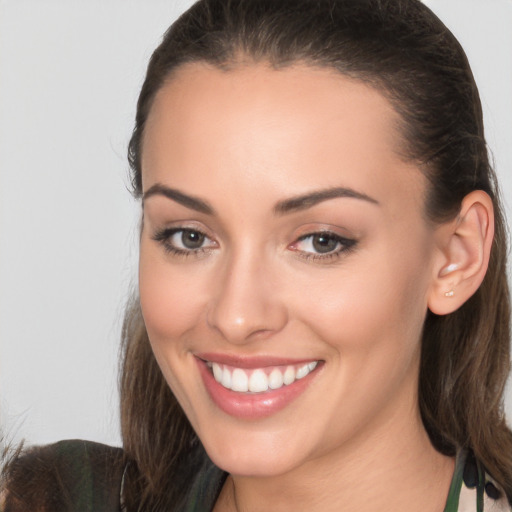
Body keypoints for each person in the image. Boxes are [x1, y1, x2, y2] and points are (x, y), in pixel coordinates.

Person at [1, 0, 511, 510]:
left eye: (320, 241)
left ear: (455, 256)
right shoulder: (51, 499)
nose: (237, 316)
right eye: (190, 237)